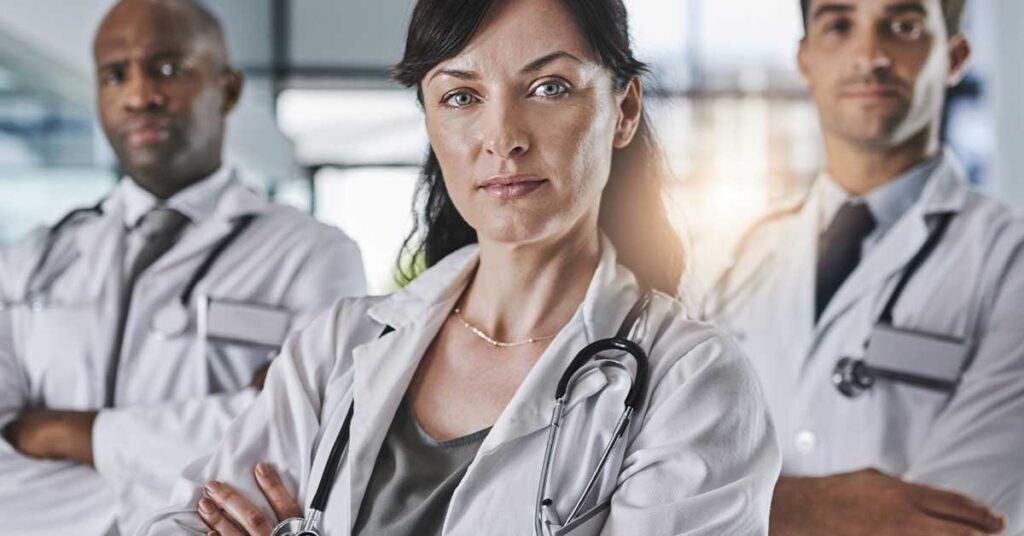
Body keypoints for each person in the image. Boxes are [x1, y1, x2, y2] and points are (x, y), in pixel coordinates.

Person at [138, 0, 781, 534]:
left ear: (625, 110)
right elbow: (184, 520)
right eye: (461, 96)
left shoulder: (692, 382)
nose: (503, 136)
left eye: (548, 87)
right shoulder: (340, 345)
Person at [0, 0, 366, 534]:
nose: (140, 95)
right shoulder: (30, 259)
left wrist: (66, 433)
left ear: (229, 89)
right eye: (114, 74)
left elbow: (306, 442)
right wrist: (194, 456)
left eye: (168, 69)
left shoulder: (313, 255)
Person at [703, 0, 1023, 534]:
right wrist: (816, 509)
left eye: (903, 27)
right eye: (839, 25)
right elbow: (657, 480)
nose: (869, 56)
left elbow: (949, 522)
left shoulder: (1009, 261)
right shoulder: (733, 259)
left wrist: (743, 505)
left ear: (954, 55)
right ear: (805, 60)